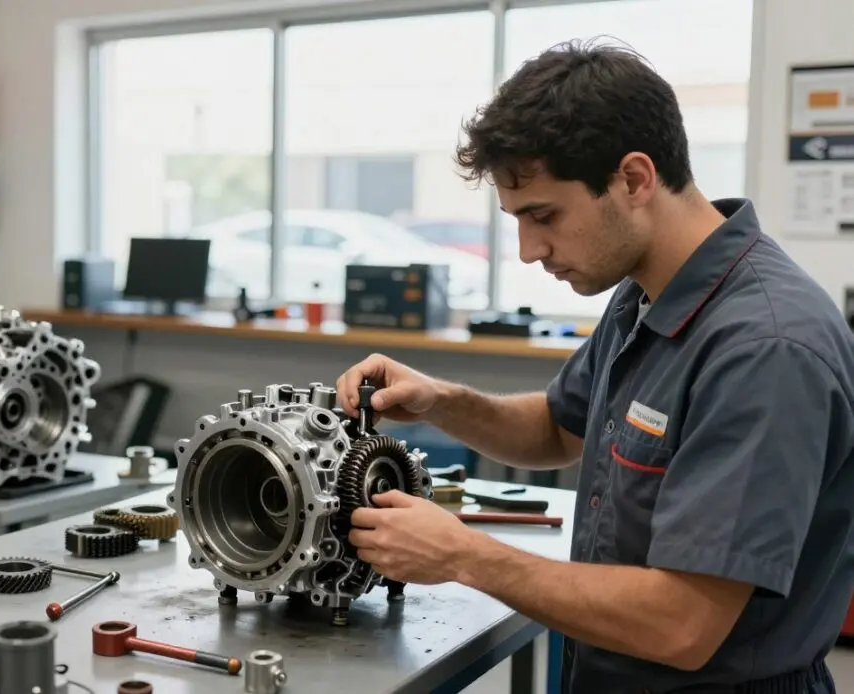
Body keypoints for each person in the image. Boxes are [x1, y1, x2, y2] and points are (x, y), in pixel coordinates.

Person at [336, 39, 854, 693]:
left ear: (634, 179)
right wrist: (440, 399)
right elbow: (558, 428)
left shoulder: (765, 349)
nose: (528, 250)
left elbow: (682, 626)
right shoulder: (645, 290)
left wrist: (464, 554)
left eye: (543, 215)